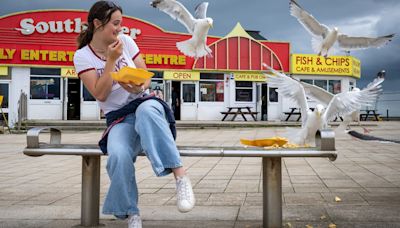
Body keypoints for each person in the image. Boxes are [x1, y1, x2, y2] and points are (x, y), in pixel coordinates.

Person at [73, 1, 195, 227]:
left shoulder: (127, 41)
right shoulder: (82, 56)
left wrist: (139, 86)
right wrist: (111, 60)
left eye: (121, 23)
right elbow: (100, 93)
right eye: (115, 24)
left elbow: (146, 75)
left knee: (147, 111)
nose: (120, 29)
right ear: (97, 24)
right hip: (119, 118)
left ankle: (180, 176)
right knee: (118, 156)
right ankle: (132, 213)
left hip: (144, 103)